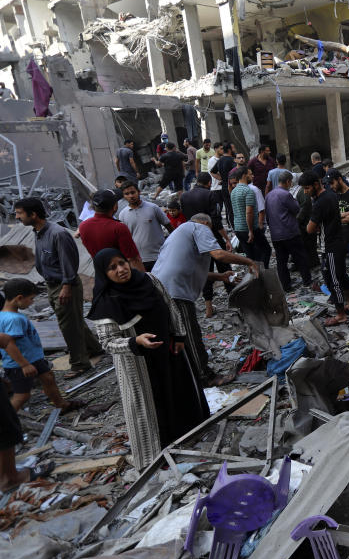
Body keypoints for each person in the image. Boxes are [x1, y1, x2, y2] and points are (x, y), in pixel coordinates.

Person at [88, 249, 210, 460]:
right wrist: (135, 341)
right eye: (112, 268)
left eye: (122, 262)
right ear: (104, 273)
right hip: (140, 364)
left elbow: (170, 306)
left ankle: (191, 431)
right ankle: (164, 448)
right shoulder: (107, 301)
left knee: (180, 390)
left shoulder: (149, 280)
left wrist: (179, 336)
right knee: (155, 403)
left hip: (170, 350)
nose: (121, 269)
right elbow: (107, 342)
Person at [152, 214, 258, 384]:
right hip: (175, 290)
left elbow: (188, 268)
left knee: (175, 334)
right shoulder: (199, 227)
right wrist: (249, 261)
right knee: (189, 333)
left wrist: (221, 276)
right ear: (206, 223)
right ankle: (205, 376)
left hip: (160, 287)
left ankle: (185, 375)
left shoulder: (179, 232)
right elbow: (218, 254)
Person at [14, 197, 103, 378]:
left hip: (64, 285)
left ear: (33, 214)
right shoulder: (38, 232)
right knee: (73, 320)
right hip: (52, 284)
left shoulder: (58, 234)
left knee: (68, 326)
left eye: (19, 213)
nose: (16, 217)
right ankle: (94, 348)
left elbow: (69, 263)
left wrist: (66, 286)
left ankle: (80, 364)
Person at [1, 279, 83, 412]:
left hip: (33, 359)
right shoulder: (13, 319)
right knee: (22, 395)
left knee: (48, 378)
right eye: (31, 299)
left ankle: (61, 405)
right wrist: (24, 365)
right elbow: (9, 344)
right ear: (19, 298)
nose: (32, 302)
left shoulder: (6, 315)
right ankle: (6, 422)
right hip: (20, 364)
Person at [300, 172, 349, 325]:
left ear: (316, 184)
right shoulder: (331, 195)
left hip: (331, 246)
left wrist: (310, 223)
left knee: (334, 280)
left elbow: (310, 229)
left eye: (307, 188)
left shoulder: (320, 203)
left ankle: (341, 314)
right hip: (339, 241)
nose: (305, 192)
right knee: (342, 276)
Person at [180, 173, 234, 318]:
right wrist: (226, 238)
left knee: (205, 273)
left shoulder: (184, 196)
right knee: (225, 267)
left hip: (195, 240)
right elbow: (215, 221)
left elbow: (186, 219)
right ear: (209, 183)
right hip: (213, 238)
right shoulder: (210, 195)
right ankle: (235, 300)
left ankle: (208, 307)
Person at [265, 171, 313, 292]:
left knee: (281, 262)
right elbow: (296, 208)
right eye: (290, 182)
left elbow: (268, 216)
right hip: (289, 232)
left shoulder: (269, 195)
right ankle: (307, 281)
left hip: (276, 234)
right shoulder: (285, 194)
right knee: (300, 257)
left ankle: (286, 286)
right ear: (287, 181)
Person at [78, 189, 145, 272]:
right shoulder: (119, 227)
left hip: (101, 274)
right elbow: (133, 259)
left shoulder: (83, 226)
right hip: (122, 274)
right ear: (115, 206)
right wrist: (144, 280)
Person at [119, 181, 173, 271]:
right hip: (139, 260)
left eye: (133, 192)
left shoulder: (153, 208)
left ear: (139, 192)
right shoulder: (122, 215)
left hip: (160, 256)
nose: (131, 196)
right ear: (124, 196)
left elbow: (169, 227)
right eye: (127, 194)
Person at [326, 169, 349, 287]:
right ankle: (345, 289)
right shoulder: (332, 196)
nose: (331, 186)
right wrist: (347, 213)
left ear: (339, 179)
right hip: (338, 237)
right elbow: (330, 216)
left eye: (332, 183)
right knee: (338, 266)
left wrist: (337, 217)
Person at [230, 166, 270, 264]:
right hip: (249, 229)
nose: (252, 176)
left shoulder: (233, 191)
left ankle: (254, 275)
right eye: (250, 174)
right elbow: (249, 212)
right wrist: (251, 231)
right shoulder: (248, 191)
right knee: (265, 251)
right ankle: (261, 275)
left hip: (239, 228)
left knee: (250, 256)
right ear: (244, 175)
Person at [212, 143, 236, 226]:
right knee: (235, 207)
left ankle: (230, 224)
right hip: (232, 187)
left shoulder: (220, 160)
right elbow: (235, 173)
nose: (234, 150)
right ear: (229, 150)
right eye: (233, 148)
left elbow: (212, 171)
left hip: (224, 187)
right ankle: (235, 225)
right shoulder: (232, 160)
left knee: (228, 207)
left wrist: (222, 179)